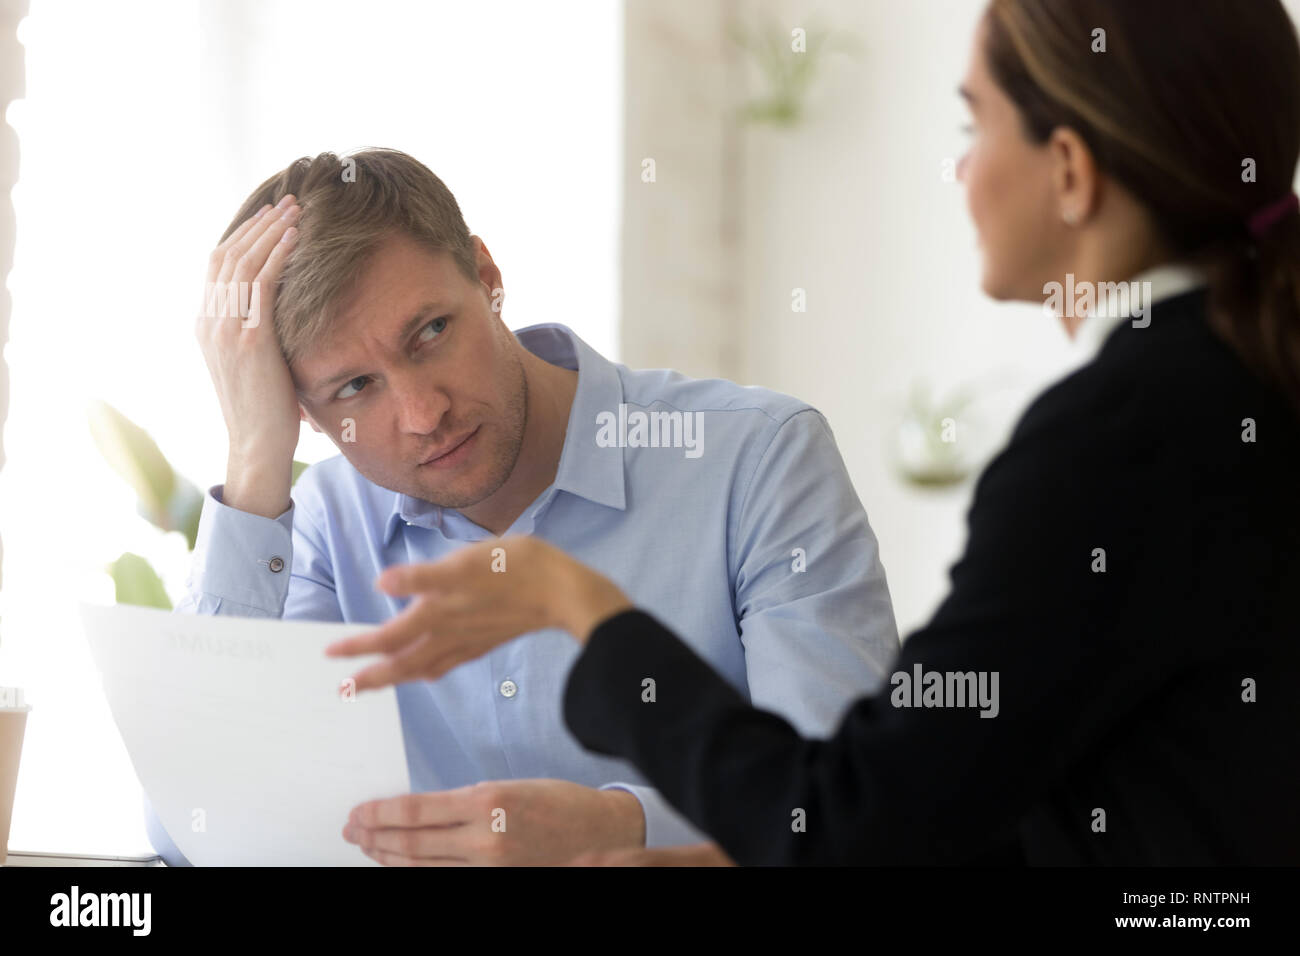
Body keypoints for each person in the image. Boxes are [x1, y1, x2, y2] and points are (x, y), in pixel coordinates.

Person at [330, 0, 1300, 865]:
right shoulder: (1236, 389)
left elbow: (849, 823)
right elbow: (1014, 792)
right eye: (352, 384)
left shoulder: (1114, 439)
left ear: (1071, 172)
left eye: (974, 124)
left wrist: (580, 606)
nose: (961, 169)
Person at [146, 149, 899, 866]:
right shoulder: (320, 524)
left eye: (431, 332)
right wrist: (253, 460)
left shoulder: (758, 459)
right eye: (353, 388)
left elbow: (842, 815)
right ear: (305, 412)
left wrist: (620, 830)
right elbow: (196, 830)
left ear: (486, 275)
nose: (422, 412)